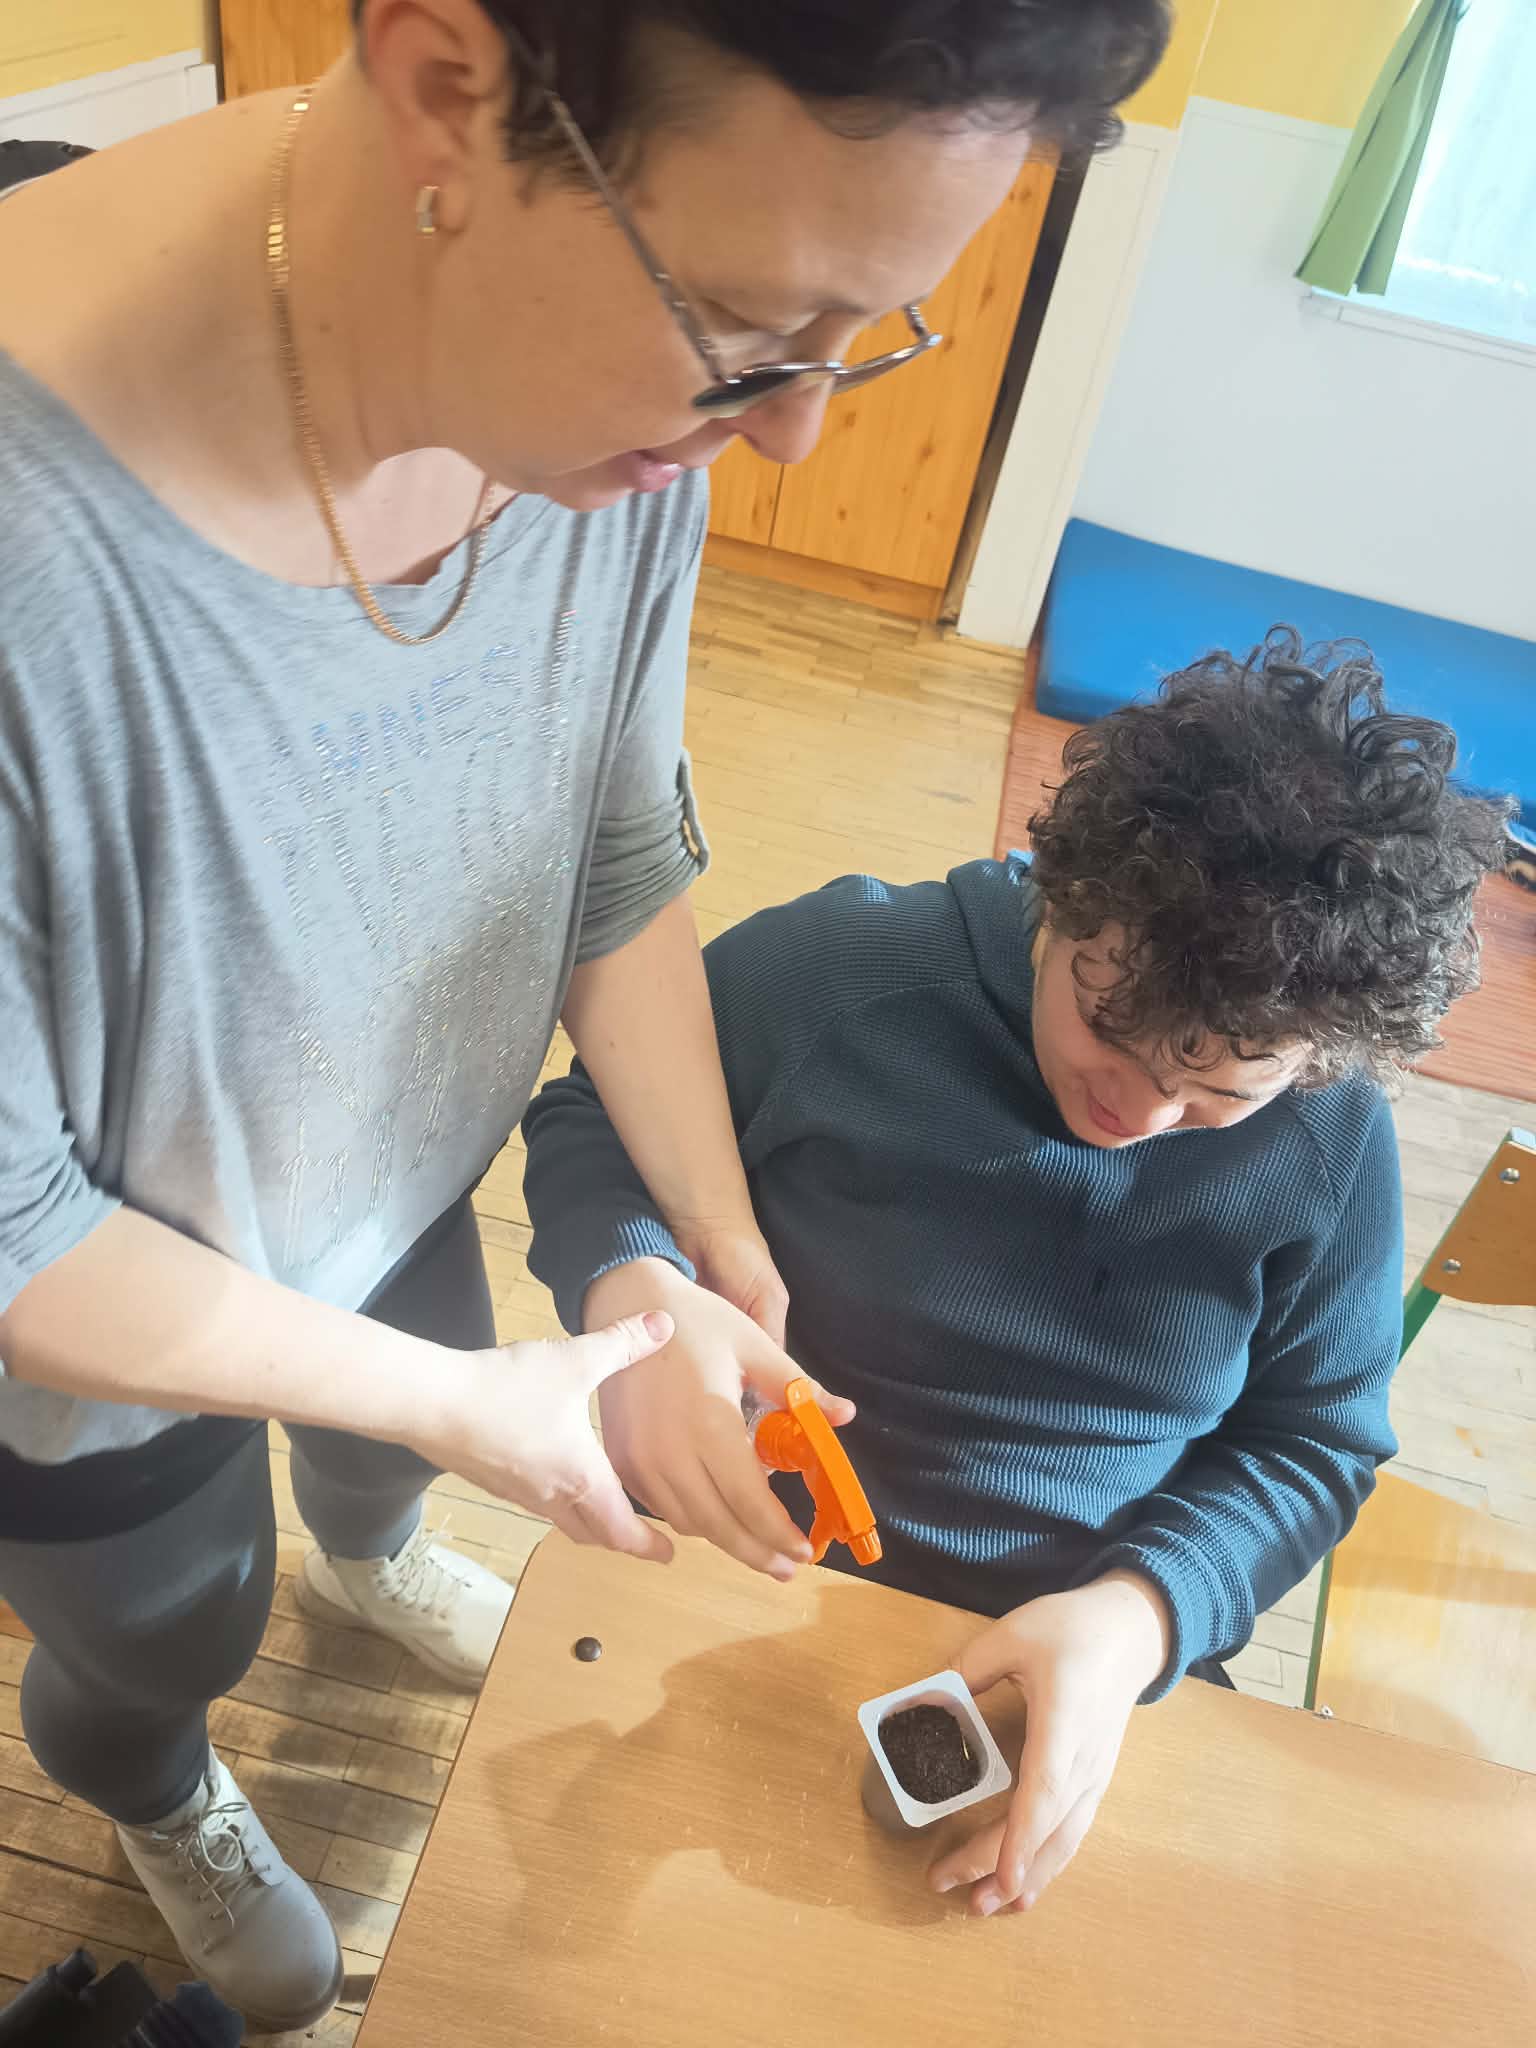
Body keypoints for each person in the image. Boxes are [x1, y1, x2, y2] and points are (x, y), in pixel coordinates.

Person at [0, 0, 1172, 2029]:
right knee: (167, 1619)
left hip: (399, 1174)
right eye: (750, 328)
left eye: (865, 335)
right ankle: (157, 1778)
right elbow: (20, 1237)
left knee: (388, 1451)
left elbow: (609, 844)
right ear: (449, 83)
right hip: (102, 1343)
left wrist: (713, 1244)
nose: (792, 430)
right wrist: (477, 1410)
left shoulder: (614, 410)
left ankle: (374, 1551)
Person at [523, 632, 1511, 1920]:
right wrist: (635, 1288)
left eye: (1221, 1093)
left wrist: (1142, 1615)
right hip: (747, 1561)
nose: (1142, 1117)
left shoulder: (1330, 1140)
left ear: (1315, 1059)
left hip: (1086, 1640)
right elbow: (593, 1115)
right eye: (1112, 1029)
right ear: (1068, 891)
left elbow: (1315, 1442)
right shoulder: (845, 973)